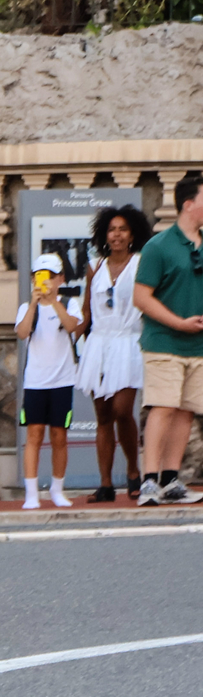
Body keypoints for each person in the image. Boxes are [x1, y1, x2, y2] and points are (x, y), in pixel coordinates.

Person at [132, 175, 203, 505]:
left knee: (187, 411)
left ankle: (171, 480)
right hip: (163, 342)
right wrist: (179, 323)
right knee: (163, 406)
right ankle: (149, 482)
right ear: (189, 204)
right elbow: (141, 297)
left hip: (198, 346)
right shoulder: (158, 247)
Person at [78, 204, 149, 502]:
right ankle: (105, 484)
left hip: (129, 341)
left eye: (122, 229)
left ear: (132, 233)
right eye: (111, 229)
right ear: (104, 235)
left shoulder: (141, 263)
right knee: (103, 415)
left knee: (122, 410)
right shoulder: (94, 266)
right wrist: (72, 329)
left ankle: (134, 470)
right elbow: (86, 310)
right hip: (99, 343)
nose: (116, 234)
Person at [16, 253, 85, 510]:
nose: (44, 282)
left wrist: (54, 302)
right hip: (35, 382)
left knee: (59, 436)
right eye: (39, 276)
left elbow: (72, 327)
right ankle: (31, 493)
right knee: (33, 435)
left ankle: (57, 489)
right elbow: (22, 332)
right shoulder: (26, 308)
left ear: (60, 279)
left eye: (50, 276)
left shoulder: (69, 303)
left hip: (62, 381)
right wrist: (34, 304)